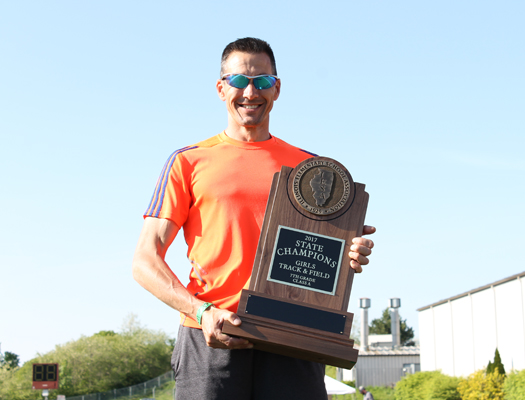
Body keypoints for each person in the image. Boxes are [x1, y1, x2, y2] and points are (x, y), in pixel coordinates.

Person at [132, 37, 375, 400]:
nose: (250, 91)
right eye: (238, 81)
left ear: (276, 89)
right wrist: (201, 312)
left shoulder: (311, 170)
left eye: (262, 82)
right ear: (220, 88)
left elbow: (322, 252)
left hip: (293, 338)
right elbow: (144, 260)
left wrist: (347, 253)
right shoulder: (188, 161)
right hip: (212, 334)